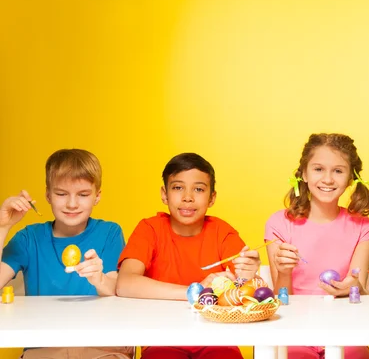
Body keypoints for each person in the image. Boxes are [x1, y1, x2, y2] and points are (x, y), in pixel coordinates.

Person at [117, 152, 260, 359]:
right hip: (161, 340)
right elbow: (125, 283)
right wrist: (196, 291)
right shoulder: (150, 229)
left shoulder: (223, 233)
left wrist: (248, 275)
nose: (187, 197)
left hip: (218, 339)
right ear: (164, 194)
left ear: (212, 198)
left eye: (199, 189)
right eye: (177, 187)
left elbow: (246, 290)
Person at [0, 149, 131, 359]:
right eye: (61, 194)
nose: (71, 204)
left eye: (83, 194)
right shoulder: (29, 238)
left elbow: (116, 288)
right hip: (45, 347)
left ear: (97, 196)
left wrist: (99, 279)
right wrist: (2, 227)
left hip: (101, 347)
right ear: (48, 195)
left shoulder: (110, 233)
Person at [265, 133, 369, 359]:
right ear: (304, 174)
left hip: (346, 331)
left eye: (338, 171)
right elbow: (280, 297)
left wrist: (351, 286)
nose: (328, 179)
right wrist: (284, 272)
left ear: (351, 178)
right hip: (294, 331)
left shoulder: (364, 227)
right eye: (318, 169)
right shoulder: (279, 224)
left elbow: (359, 288)